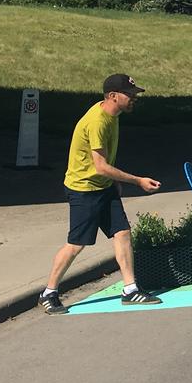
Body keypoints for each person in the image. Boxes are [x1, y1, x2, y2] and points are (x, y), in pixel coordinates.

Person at [38, 74, 164, 314]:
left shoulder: (112, 115)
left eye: (135, 93)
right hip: (84, 189)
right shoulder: (98, 121)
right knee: (76, 244)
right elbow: (101, 166)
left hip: (103, 186)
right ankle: (49, 293)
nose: (134, 98)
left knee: (122, 232)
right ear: (113, 96)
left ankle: (130, 289)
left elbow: (105, 163)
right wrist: (137, 181)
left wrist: (113, 183)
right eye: (130, 94)